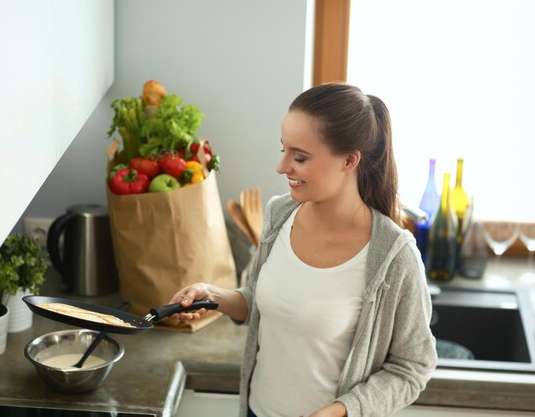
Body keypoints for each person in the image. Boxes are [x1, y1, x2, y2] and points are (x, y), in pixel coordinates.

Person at [168, 82, 437, 417]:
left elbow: (412, 367)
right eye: (283, 150)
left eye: (300, 157)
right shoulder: (279, 215)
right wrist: (214, 295)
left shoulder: (393, 256)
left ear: (349, 160)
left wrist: (342, 410)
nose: (282, 167)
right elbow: (262, 303)